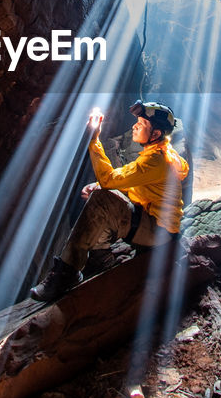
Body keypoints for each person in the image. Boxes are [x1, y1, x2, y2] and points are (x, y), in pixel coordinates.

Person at [30, 100, 190, 302]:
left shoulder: (155, 161)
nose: (134, 126)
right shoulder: (164, 154)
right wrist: (99, 185)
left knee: (102, 199)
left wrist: (93, 140)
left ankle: (67, 272)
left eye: (141, 124)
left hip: (157, 231)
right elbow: (134, 183)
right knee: (99, 191)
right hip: (158, 225)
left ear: (156, 134)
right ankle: (100, 255)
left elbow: (109, 179)